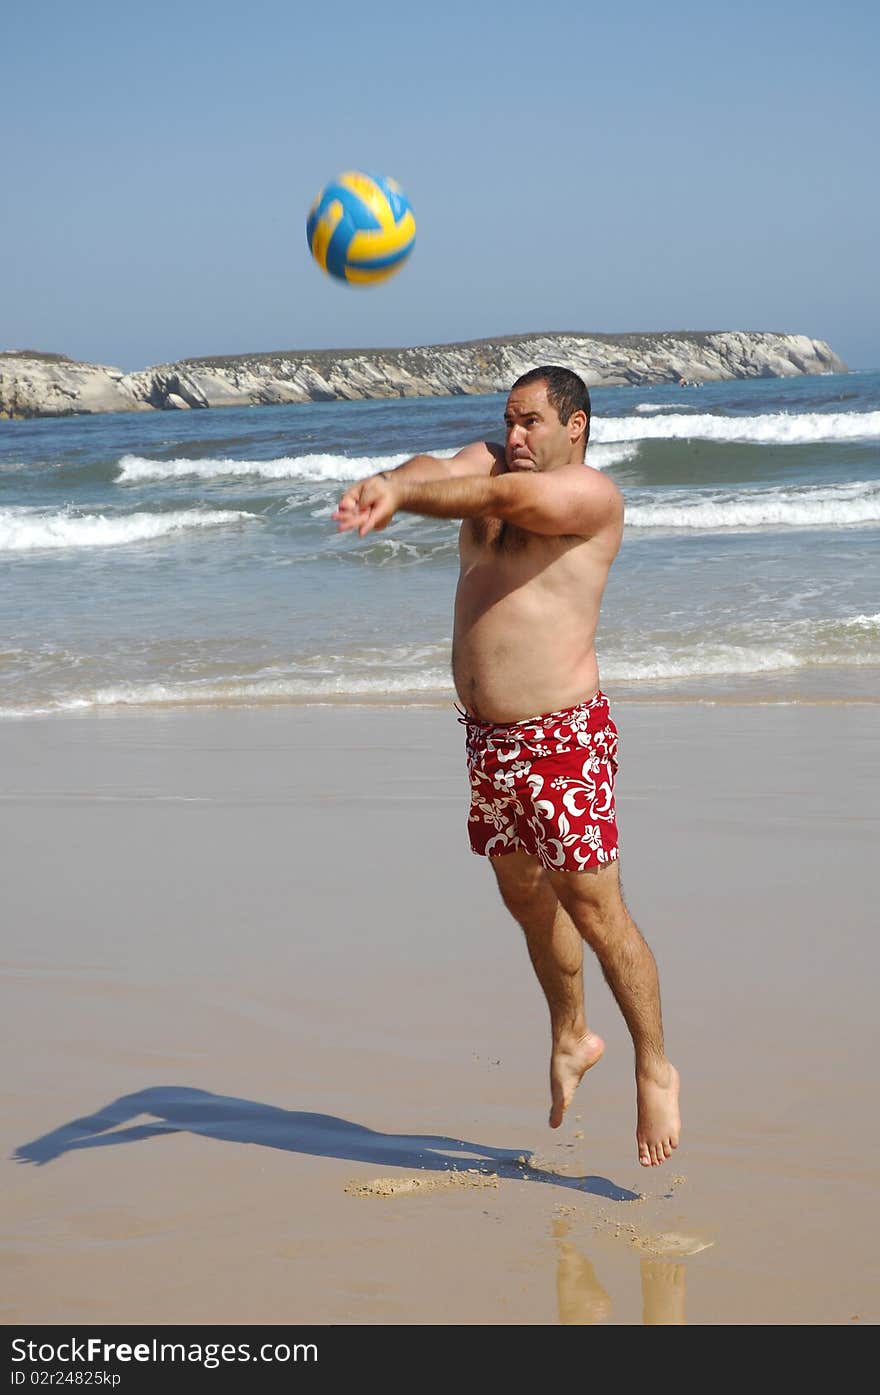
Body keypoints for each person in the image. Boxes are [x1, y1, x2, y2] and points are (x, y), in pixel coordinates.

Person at [333, 366, 680, 1168]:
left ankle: (655, 1065)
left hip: (562, 740)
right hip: (489, 743)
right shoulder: (489, 462)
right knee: (525, 894)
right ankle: (571, 1032)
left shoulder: (588, 497)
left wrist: (408, 498)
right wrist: (392, 481)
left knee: (595, 910)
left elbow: (499, 503)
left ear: (577, 427)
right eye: (508, 421)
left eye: (530, 422)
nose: (514, 436)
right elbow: (440, 472)